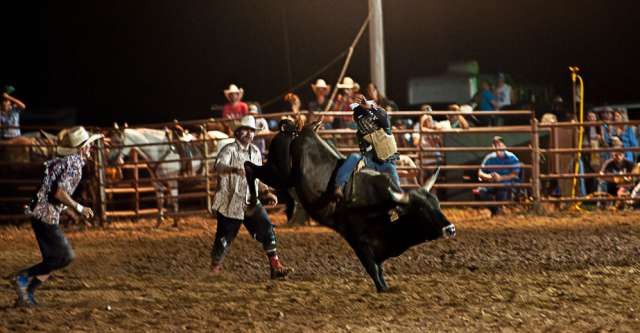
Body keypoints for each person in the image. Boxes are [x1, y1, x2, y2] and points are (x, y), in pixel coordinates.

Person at [12, 126, 102, 306]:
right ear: (82, 148)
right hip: (45, 216)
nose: (90, 149)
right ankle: (22, 278)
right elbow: (59, 192)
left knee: (54, 259)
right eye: (88, 146)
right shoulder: (75, 164)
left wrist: (65, 208)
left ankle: (26, 294)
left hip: (39, 213)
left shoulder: (61, 161)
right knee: (65, 256)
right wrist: (79, 208)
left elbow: (50, 190)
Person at [210, 115, 292, 279]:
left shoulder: (255, 152)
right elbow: (218, 167)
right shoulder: (229, 150)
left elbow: (259, 177)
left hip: (250, 200)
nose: (249, 134)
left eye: (252, 131)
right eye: (246, 130)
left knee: (268, 229)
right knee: (224, 237)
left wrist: (266, 191)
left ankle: (275, 266)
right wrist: (233, 169)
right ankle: (214, 270)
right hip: (230, 201)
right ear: (238, 133)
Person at [334, 94, 400, 200]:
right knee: (354, 157)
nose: (364, 124)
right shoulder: (361, 134)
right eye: (360, 121)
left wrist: (369, 107)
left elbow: (383, 118)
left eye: (364, 119)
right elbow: (364, 151)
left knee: (393, 174)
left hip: (386, 163)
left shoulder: (383, 125)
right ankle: (339, 186)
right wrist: (363, 160)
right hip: (372, 162)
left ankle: (398, 200)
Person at [477, 136, 521, 216]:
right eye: (495, 145)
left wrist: (501, 178)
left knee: (502, 188)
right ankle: (496, 210)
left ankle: (498, 210)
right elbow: (480, 172)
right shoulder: (489, 158)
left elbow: (515, 174)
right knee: (481, 191)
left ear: (504, 146)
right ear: (493, 147)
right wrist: (489, 176)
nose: (498, 147)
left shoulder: (512, 157)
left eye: (500, 145)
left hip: (506, 184)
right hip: (492, 183)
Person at [598, 139, 636, 205]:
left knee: (632, 185)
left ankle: (630, 204)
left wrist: (628, 179)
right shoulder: (608, 163)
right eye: (615, 155)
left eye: (620, 154)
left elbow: (635, 174)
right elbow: (601, 174)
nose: (618, 156)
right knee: (602, 183)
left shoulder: (629, 163)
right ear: (613, 155)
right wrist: (612, 179)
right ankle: (601, 205)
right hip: (611, 185)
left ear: (623, 155)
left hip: (625, 186)